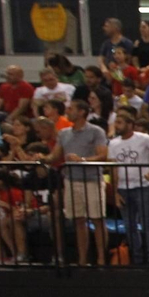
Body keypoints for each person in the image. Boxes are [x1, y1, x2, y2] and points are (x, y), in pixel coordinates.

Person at [53, 99, 109, 266]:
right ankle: (82, 259)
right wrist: (41, 158)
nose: (67, 111)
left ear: (82, 112)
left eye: (71, 109)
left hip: (91, 179)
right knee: (78, 219)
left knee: (97, 219)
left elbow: (103, 155)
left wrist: (82, 160)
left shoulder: (96, 131)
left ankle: (101, 258)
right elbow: (55, 155)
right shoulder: (63, 133)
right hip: (71, 180)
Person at [108, 110, 149, 265]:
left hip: (143, 185)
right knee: (129, 225)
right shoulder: (113, 143)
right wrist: (115, 192)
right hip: (123, 187)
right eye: (116, 122)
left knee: (147, 223)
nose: (117, 126)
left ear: (130, 124)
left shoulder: (144, 139)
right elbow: (113, 168)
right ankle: (136, 259)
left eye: (120, 122)